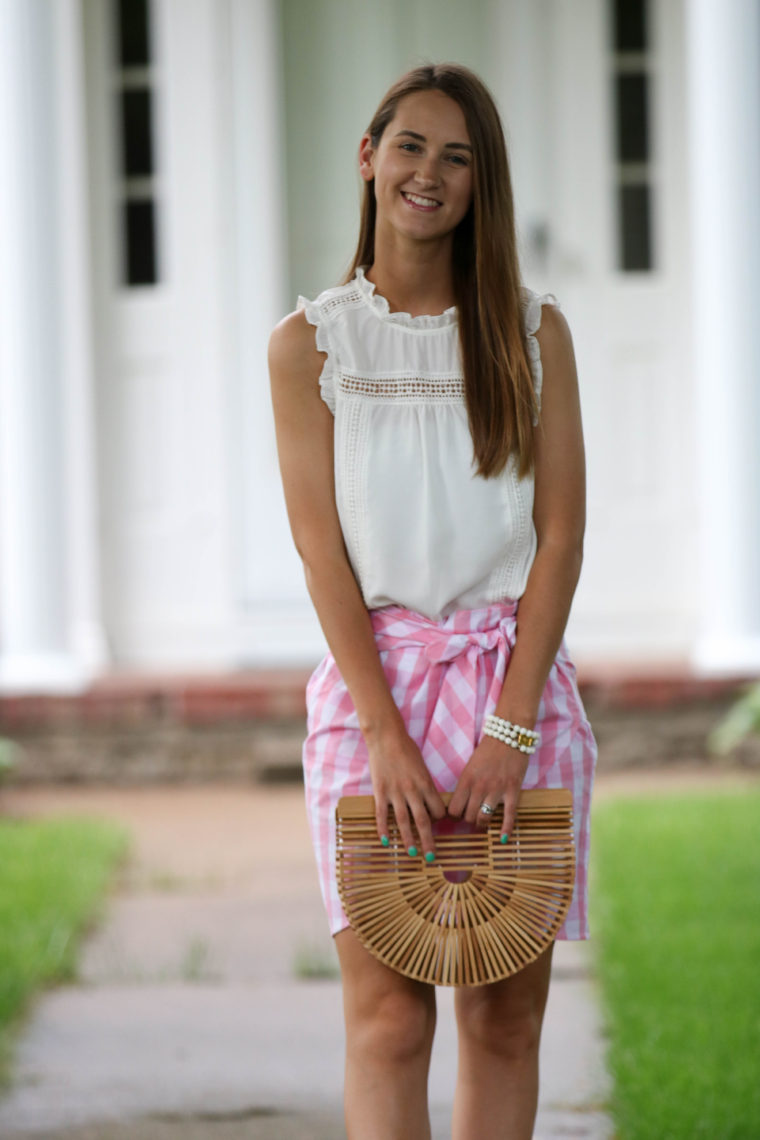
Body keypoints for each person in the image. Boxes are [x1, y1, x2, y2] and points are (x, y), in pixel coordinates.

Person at [268, 60, 597, 1140]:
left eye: (458, 157)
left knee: (504, 1017)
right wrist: (384, 733)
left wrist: (510, 723)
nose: (429, 173)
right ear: (367, 160)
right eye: (409, 146)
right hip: (377, 701)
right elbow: (322, 555)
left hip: (515, 687)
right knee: (388, 1024)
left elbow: (559, 537)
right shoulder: (309, 345)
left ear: (480, 184)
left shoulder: (531, 334)